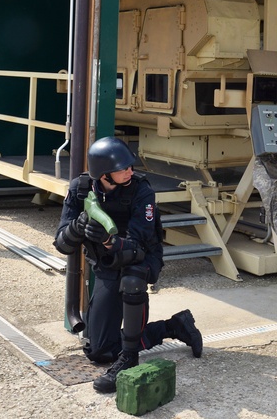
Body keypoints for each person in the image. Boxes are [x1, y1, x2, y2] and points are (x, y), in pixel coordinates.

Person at [54, 136, 203, 394]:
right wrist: (78, 227)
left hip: (142, 256)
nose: (130, 171)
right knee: (99, 351)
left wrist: (108, 239)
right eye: (122, 169)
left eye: (130, 166)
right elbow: (61, 244)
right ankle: (174, 326)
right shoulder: (80, 189)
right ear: (103, 174)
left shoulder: (141, 190)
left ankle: (129, 359)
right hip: (106, 264)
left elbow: (138, 244)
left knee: (132, 282)